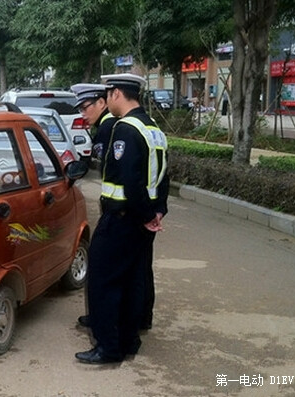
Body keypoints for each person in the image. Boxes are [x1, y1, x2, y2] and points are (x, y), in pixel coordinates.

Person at [75, 73, 169, 364]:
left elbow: (131, 181)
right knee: (131, 282)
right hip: (142, 220)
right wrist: (156, 213)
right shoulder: (153, 128)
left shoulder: (125, 129)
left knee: (102, 282)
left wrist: (142, 215)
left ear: (116, 94)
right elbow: (163, 177)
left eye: (109, 93)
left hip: (122, 219)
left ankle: (108, 347)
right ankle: (129, 341)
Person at [70, 83, 118, 328]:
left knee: (101, 268)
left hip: (118, 212)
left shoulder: (109, 128)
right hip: (123, 211)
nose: (83, 113)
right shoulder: (110, 125)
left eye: (86, 107)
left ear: (102, 102)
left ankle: (103, 324)